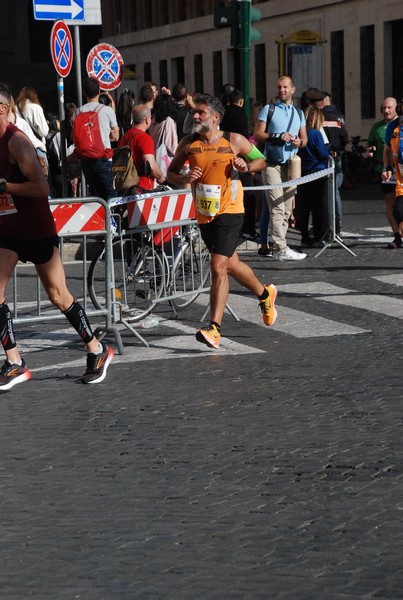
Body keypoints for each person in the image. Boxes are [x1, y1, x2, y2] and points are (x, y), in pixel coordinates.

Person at [0, 84, 114, 390]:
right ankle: (15, 362)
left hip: (36, 229)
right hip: (7, 231)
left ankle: (96, 350)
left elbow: (42, 188)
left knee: (58, 295)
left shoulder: (17, 142)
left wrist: (6, 187)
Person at [167, 93, 278, 349]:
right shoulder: (188, 143)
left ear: (215, 118)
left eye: (201, 113)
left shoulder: (234, 140)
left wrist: (245, 166)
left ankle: (214, 328)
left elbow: (261, 160)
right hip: (205, 213)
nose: (195, 116)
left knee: (217, 265)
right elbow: (170, 173)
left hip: (231, 209)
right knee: (231, 265)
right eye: (194, 112)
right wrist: (184, 179)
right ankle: (265, 293)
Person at [254, 75, 308, 261]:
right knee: (276, 207)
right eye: (279, 87)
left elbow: (304, 139)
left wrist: (299, 141)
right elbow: (258, 135)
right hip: (271, 165)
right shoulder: (269, 110)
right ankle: (281, 247)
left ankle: (279, 248)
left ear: (293, 89)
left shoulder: (299, 113)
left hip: (291, 165)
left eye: (285, 87)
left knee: (286, 209)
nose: (281, 90)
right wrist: (277, 135)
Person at [305, 89, 349, 236]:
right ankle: (337, 225)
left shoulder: (319, 116)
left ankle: (326, 227)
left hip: (321, 161)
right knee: (334, 193)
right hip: (335, 158)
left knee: (320, 198)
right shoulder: (338, 116)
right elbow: (344, 137)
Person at [220, 89, 258, 241]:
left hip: (224, 155)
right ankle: (248, 227)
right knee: (249, 195)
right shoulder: (241, 114)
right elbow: (245, 139)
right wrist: (249, 163)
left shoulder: (224, 113)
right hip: (240, 158)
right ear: (241, 102)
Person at [76, 77, 119, 201]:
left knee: (95, 195)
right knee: (109, 194)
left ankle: (98, 219)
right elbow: (115, 137)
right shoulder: (107, 110)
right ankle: (111, 219)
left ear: (84, 92)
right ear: (99, 91)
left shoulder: (77, 112)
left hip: (85, 159)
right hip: (103, 158)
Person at [366, 97, 399, 248]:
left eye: (389, 108)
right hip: (385, 169)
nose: (386, 111)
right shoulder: (377, 127)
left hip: (401, 169)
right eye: (383, 108)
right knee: (390, 203)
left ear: (396, 108)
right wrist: (370, 149)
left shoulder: (399, 125)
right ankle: (397, 236)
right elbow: (371, 143)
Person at [296, 105, 330, 246]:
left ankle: (304, 237)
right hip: (317, 173)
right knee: (318, 207)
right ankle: (318, 237)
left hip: (302, 173)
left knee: (303, 207)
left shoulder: (300, 134)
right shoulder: (316, 134)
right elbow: (323, 154)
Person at [119, 104, 164, 191]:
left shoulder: (124, 138)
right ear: (147, 119)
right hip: (142, 188)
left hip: (126, 187)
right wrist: (161, 177)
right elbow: (151, 167)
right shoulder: (144, 138)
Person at [382, 107, 403, 243]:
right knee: (398, 211)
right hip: (401, 182)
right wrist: (388, 167)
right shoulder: (393, 127)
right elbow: (387, 149)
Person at [149, 93, 178, 180]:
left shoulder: (152, 120)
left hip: (154, 159)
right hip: (165, 161)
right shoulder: (168, 121)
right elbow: (171, 146)